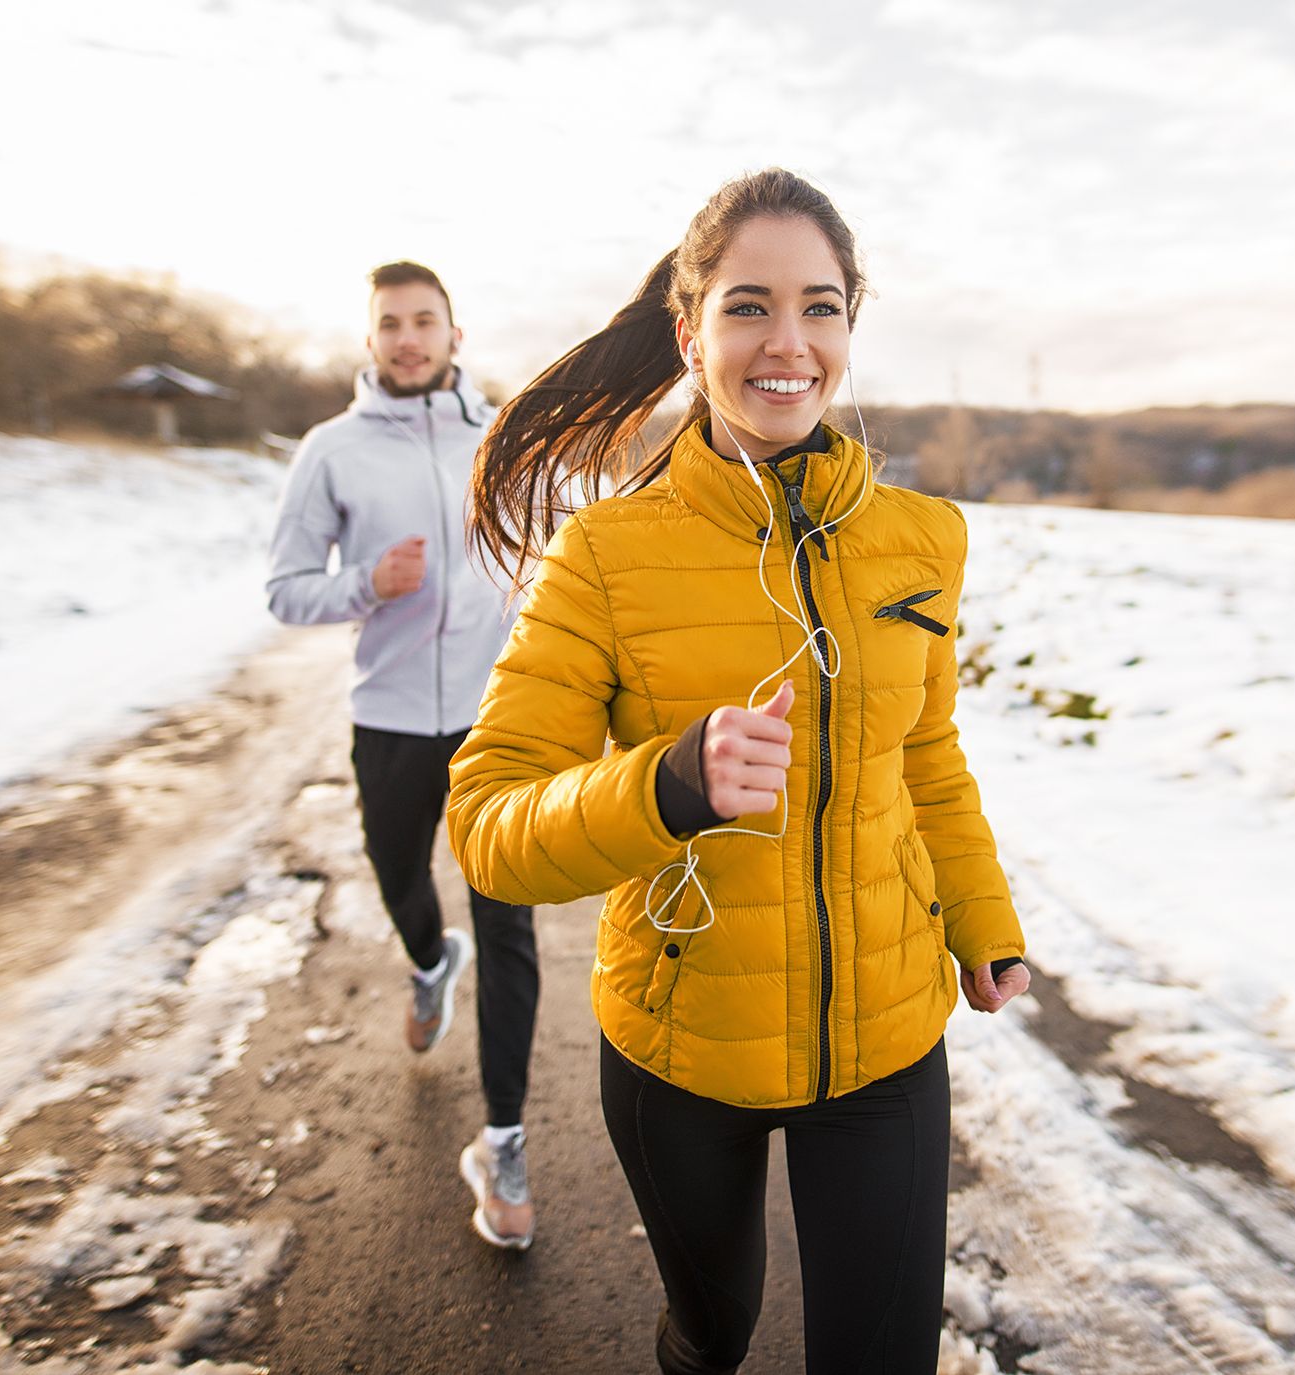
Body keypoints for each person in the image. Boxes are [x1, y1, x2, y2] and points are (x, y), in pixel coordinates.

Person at [446, 169, 1031, 1373]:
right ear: (689, 330)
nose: (788, 343)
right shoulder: (603, 555)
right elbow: (489, 822)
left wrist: (981, 915)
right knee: (714, 1332)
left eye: (820, 307)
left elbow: (925, 752)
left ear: (849, 328)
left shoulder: (923, 539)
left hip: (884, 1041)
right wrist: (666, 782)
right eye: (748, 305)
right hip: (683, 1047)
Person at [265, 260, 541, 1251]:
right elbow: (286, 588)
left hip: (495, 724)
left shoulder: (502, 439)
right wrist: (367, 584)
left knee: (510, 927)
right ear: (372, 340)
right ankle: (429, 963)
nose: (409, 338)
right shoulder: (330, 453)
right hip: (386, 717)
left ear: (455, 335)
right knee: (400, 883)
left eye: (425, 321)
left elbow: (540, 555)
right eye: (391, 323)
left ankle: (504, 1143)